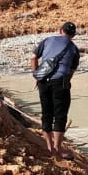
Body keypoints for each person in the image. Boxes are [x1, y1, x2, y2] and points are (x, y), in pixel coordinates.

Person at [30, 21, 80, 158]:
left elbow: (33, 57)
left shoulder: (47, 40)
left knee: (46, 114)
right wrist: (65, 83)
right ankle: (57, 149)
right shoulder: (74, 49)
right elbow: (71, 71)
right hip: (61, 83)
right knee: (60, 116)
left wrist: (36, 76)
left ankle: (49, 147)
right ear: (73, 35)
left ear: (60, 30)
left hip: (43, 81)